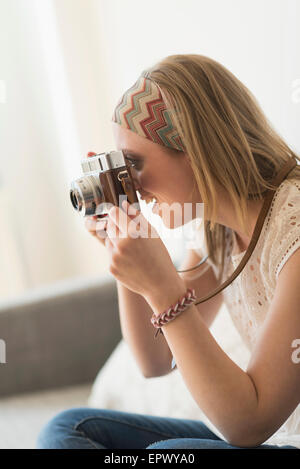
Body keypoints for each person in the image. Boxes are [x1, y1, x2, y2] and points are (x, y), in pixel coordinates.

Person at [36, 54, 300, 450]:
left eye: (135, 164)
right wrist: (123, 239)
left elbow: (250, 424)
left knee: (167, 455)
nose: (131, 184)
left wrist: (163, 289)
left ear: (198, 151)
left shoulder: (291, 232)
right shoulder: (218, 232)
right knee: (70, 428)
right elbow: (154, 361)